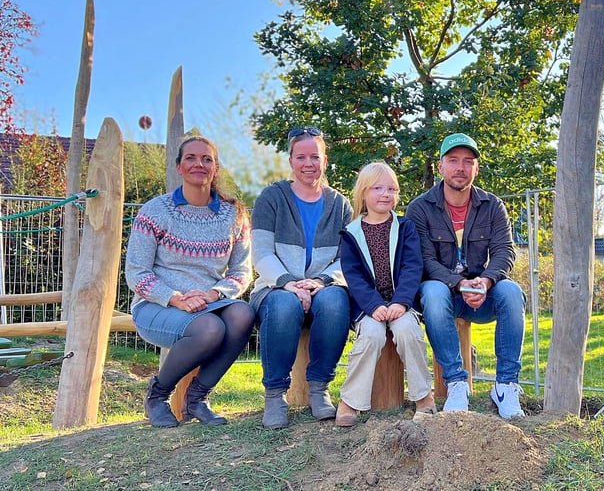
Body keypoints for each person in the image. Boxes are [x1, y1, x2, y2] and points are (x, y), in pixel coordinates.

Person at [125, 135, 255, 428]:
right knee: (210, 329)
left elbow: (241, 273)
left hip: (210, 302)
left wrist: (212, 294)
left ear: (216, 168)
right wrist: (175, 297)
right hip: (156, 306)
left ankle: (197, 399)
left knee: (243, 314)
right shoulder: (155, 212)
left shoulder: (233, 215)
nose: (199, 164)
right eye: (191, 158)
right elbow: (136, 272)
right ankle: (157, 396)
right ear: (179, 168)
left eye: (207, 159)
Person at [406, 133, 527, 419]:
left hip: (483, 292)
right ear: (441, 167)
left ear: (476, 168)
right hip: (444, 295)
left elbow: (504, 251)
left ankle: (506, 385)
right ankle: (456, 383)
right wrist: (459, 284)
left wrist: (485, 282)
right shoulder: (420, 208)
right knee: (433, 292)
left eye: (468, 162)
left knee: (511, 292)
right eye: (453, 160)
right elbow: (423, 260)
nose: (460, 167)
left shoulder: (492, 205)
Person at [249, 127, 354, 429]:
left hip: (323, 286)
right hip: (275, 287)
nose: (308, 163)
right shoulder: (272, 198)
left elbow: (345, 258)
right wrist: (289, 283)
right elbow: (262, 254)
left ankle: (319, 389)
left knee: (336, 301)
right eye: (301, 157)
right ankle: (274, 395)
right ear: (291, 160)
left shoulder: (340, 204)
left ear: (325, 160)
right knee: (284, 305)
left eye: (315, 156)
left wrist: (320, 281)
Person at [335, 162, 436, 426]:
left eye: (391, 189)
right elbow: (353, 275)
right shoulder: (351, 234)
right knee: (370, 335)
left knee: (407, 333)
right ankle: (350, 401)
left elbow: (412, 266)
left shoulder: (405, 228)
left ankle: (423, 397)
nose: (385, 194)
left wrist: (402, 301)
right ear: (364, 193)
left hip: (402, 304)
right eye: (378, 188)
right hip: (369, 306)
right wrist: (373, 305)